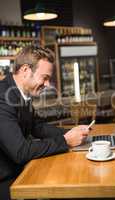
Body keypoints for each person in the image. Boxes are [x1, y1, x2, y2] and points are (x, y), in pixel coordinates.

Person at [0, 45, 90, 200]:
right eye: (45, 77)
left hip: (19, 170)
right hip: (5, 180)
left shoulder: (20, 92)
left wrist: (73, 131)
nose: (48, 84)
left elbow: (38, 127)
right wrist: (65, 140)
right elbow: (20, 152)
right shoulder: (3, 97)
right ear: (25, 70)